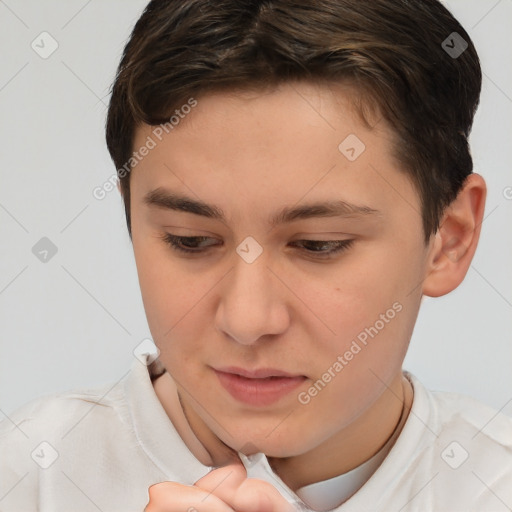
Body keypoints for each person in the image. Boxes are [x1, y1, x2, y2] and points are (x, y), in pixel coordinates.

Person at [1, 0, 511, 511]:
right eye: (190, 240)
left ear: (449, 237)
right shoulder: (29, 476)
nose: (247, 321)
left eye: (318, 245)